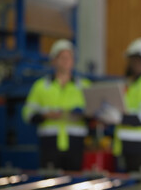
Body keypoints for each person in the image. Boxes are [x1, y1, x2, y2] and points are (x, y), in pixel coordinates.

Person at [22, 39, 90, 171]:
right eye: (62, 57)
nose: (66, 61)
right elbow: (27, 114)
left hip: (76, 143)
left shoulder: (85, 86)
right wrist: (45, 115)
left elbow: (95, 114)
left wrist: (82, 114)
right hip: (50, 144)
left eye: (69, 57)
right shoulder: (41, 86)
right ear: (53, 61)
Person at [107, 38, 141, 172]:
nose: (132, 64)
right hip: (128, 147)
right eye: (132, 60)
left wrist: (118, 118)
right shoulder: (132, 84)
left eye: (136, 60)